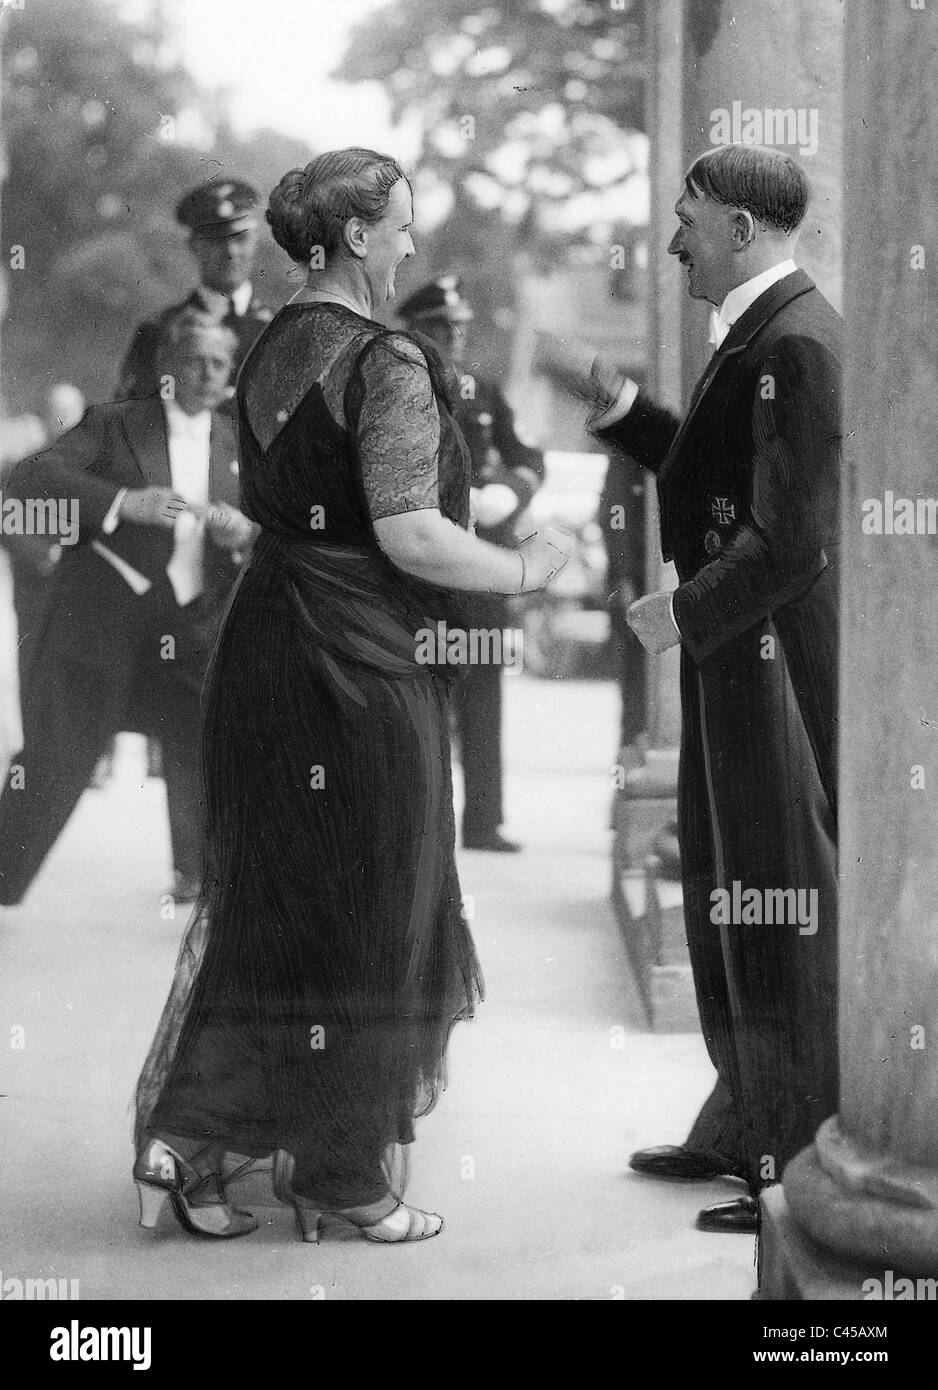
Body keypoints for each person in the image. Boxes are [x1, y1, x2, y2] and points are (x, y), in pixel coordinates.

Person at [132, 148, 570, 1245]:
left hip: (263, 649)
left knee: (273, 908)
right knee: (381, 910)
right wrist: (530, 566)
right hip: (357, 666)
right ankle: (340, 1180)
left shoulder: (271, 340)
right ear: (361, 236)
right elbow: (411, 531)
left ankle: (186, 1139)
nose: (415, 244)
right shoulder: (389, 361)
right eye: (405, 225)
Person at [589, 144, 841, 1235]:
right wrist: (631, 416)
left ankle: (791, 1153)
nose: (671, 235)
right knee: (723, 888)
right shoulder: (759, 327)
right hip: (737, 662)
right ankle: (740, 1114)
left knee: (778, 901)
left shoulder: (793, 336)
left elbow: (792, 541)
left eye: (686, 216)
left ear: (739, 226)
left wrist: (675, 613)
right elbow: (718, 469)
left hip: (767, 664)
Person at [0, 309, 252, 908]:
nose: (205, 373)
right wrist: (122, 502)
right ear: (166, 366)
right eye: (192, 359)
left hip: (190, 621)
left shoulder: (235, 443)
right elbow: (33, 478)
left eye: (218, 363)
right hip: (103, 612)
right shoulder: (115, 424)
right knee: (61, 751)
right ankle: (3, 874)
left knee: (202, 746)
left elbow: (262, 525)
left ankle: (199, 881)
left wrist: (240, 532)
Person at [398, 276, 545, 852]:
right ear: (415, 333)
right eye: (439, 329)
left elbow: (526, 454)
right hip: (424, 568)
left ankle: (484, 821)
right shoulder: (394, 391)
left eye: (456, 328)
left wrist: (510, 489)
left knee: (483, 696)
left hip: (482, 566)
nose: (451, 339)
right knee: (420, 696)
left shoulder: (481, 390)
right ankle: (419, 824)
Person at [117, 179, 272, 403]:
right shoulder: (158, 331)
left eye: (240, 238)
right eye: (216, 240)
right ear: (194, 245)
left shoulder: (278, 328)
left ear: (255, 240)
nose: (230, 251)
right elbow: (131, 414)